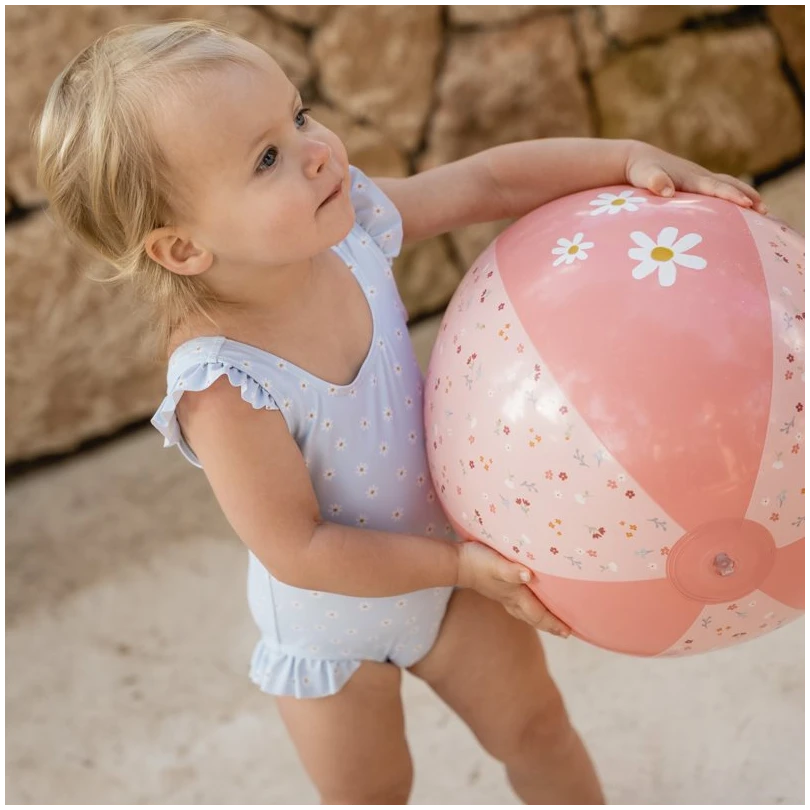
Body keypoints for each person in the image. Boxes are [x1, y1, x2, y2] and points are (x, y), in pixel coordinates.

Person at [34, 20, 765, 807]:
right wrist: (455, 566)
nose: (318, 151)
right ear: (182, 249)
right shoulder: (223, 384)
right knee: (374, 793)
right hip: (335, 631)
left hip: (449, 581)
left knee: (538, 730)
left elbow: (486, 182)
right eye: (267, 158)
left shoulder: (346, 236)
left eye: (300, 114)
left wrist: (620, 159)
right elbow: (300, 548)